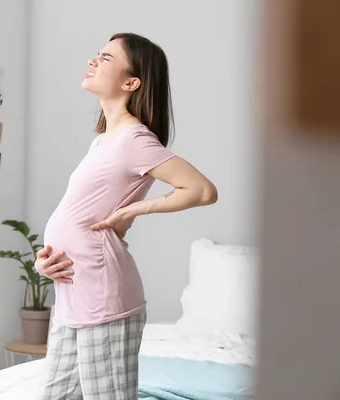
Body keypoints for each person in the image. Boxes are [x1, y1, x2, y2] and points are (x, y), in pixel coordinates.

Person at [35, 32, 218, 400]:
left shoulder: (135, 139)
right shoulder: (103, 140)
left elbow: (202, 190)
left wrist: (136, 208)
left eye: (105, 58)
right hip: (73, 293)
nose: (92, 61)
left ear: (131, 82)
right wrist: (45, 264)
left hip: (103, 297)